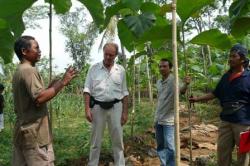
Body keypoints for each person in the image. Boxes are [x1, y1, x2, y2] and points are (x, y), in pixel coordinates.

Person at [12, 35, 76, 166]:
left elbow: (34, 100)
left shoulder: (19, 70)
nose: (39, 51)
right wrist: (62, 83)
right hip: (36, 136)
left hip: (23, 134)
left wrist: (53, 86)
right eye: (36, 48)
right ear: (24, 51)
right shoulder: (29, 70)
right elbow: (40, 99)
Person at [189, 44, 250, 166]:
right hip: (225, 121)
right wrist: (197, 99)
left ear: (242, 59)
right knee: (222, 151)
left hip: (244, 124)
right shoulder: (226, 77)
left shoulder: (248, 77)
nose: (230, 59)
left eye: (234, 56)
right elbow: (214, 93)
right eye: (229, 56)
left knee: (244, 154)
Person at [83, 42, 129, 166]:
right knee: (95, 141)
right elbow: (87, 90)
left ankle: (120, 164)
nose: (108, 57)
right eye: (106, 54)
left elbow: (125, 92)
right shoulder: (93, 69)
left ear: (115, 56)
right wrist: (87, 109)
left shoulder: (121, 70)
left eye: (111, 55)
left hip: (116, 108)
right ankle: (92, 164)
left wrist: (125, 112)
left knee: (118, 140)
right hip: (97, 108)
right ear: (103, 53)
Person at [155, 58, 190, 166]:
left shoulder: (174, 80)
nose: (162, 68)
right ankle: (163, 163)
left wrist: (186, 84)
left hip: (169, 120)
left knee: (170, 146)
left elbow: (181, 91)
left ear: (170, 68)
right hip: (158, 118)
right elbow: (160, 100)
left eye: (165, 66)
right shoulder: (158, 82)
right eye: (160, 66)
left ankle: (170, 164)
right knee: (160, 145)